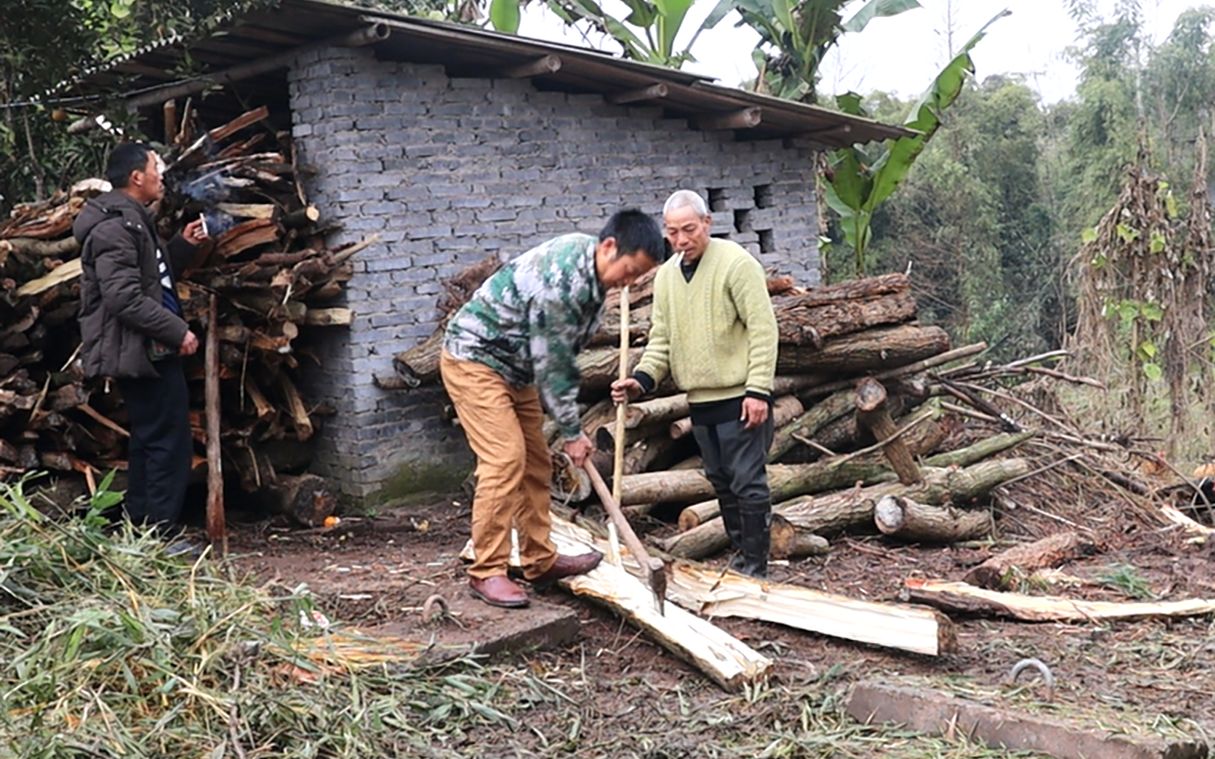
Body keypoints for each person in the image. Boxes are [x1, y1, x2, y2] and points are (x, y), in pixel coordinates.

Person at [442, 210, 667, 608]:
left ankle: (539, 560)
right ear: (609, 246)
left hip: (517, 369)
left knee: (536, 463)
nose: (629, 282)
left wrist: (570, 427)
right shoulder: (564, 280)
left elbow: (563, 357)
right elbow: (555, 366)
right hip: (475, 359)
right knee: (505, 458)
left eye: (638, 277)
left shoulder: (594, 281)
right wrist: (573, 433)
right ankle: (487, 570)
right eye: (630, 270)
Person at [612, 190, 778, 578]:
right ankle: (741, 557)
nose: (682, 239)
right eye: (673, 232)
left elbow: (763, 329)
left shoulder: (736, 264)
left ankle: (756, 566)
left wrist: (758, 390)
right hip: (701, 401)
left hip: (740, 397)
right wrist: (641, 380)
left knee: (747, 482)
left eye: (689, 229)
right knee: (721, 481)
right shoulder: (667, 276)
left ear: (707, 223)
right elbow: (662, 339)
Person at [74, 142, 208, 546]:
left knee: (152, 437)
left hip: (147, 348)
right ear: (136, 177)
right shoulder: (114, 227)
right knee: (167, 441)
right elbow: (124, 298)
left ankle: (141, 529)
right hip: (142, 349)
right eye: (155, 167)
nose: (160, 175)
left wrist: (181, 246)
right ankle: (160, 534)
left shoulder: (133, 220)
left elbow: (152, 279)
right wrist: (176, 331)